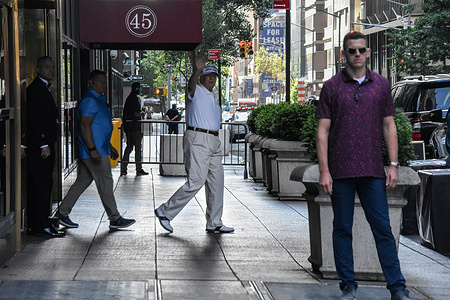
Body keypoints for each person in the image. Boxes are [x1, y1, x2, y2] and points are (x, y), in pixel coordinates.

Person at [315, 31, 411, 300]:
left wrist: (393, 165)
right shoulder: (331, 87)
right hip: (341, 170)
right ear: (343, 54)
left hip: (372, 171)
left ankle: (397, 288)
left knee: (383, 229)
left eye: (361, 50)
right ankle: (348, 285)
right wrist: (324, 170)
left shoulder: (381, 85)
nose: (357, 54)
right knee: (342, 229)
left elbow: (389, 125)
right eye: (351, 50)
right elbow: (322, 131)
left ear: (368, 53)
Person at [155, 58, 233, 234]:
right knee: (196, 181)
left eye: (214, 76)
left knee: (217, 182)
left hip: (213, 140)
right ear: (201, 78)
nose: (211, 79)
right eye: (208, 76)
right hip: (198, 138)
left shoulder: (213, 96)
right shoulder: (195, 90)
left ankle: (214, 221)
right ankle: (165, 212)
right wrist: (196, 70)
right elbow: (190, 85)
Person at [56, 70, 135, 230]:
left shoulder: (98, 99)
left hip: (98, 149)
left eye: (105, 82)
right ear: (90, 82)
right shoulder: (90, 100)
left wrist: (109, 146)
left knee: (82, 182)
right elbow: (85, 126)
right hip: (94, 152)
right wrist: (93, 149)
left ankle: (62, 213)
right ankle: (115, 217)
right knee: (105, 182)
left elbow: (99, 127)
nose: (103, 85)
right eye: (100, 82)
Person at [25, 56, 64, 237]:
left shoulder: (44, 88)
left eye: (53, 67)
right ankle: (41, 225)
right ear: (38, 70)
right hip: (41, 148)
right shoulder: (35, 90)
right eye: (47, 67)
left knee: (43, 185)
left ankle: (41, 223)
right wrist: (44, 143)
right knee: (41, 186)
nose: (51, 70)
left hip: (45, 146)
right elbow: (35, 118)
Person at [121, 82, 148, 176]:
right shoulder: (134, 99)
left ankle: (123, 168)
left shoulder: (130, 98)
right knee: (137, 148)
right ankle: (138, 169)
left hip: (129, 127)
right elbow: (135, 114)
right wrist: (141, 113)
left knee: (129, 147)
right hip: (134, 127)